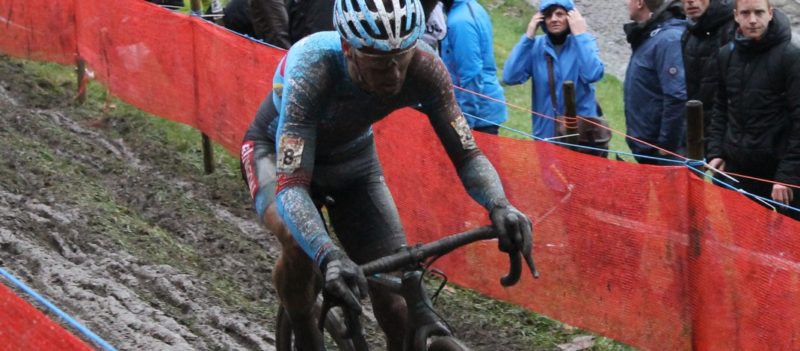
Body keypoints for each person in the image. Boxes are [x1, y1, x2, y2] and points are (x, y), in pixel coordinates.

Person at [239, 0, 534, 349]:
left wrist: (500, 205)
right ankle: (302, 325)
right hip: (275, 157)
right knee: (298, 243)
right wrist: (329, 255)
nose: (394, 75)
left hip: (353, 162)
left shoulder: (425, 67)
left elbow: (468, 155)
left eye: (401, 59)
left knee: (396, 295)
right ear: (348, 48)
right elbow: (291, 186)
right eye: (379, 65)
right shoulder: (312, 69)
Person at [706, 0, 800, 220]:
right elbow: (720, 107)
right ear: (736, 16)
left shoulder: (791, 57)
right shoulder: (726, 56)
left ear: (770, 13)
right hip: (738, 170)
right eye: (746, 13)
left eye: (758, 12)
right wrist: (716, 150)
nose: (753, 20)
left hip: (777, 177)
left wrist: (787, 177)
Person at [502, 0, 604, 140]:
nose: (554, 19)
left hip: (582, 135)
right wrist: (528, 37)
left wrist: (581, 36)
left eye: (560, 14)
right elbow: (510, 76)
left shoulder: (583, 44)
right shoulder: (536, 46)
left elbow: (593, 74)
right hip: (546, 134)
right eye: (549, 15)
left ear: (571, 17)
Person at [623, 0, 687, 165]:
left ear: (639, 3)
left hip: (664, 156)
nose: (625, 3)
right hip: (650, 152)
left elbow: (676, 96)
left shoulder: (668, 39)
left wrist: (666, 146)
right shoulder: (650, 36)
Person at [440, 0, 508, 134]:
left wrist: (465, 124)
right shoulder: (472, 7)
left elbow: (471, 74)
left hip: (478, 114)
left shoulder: (460, 22)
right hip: (485, 108)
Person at [681, 0, 735, 134]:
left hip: (727, 135)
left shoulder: (733, 30)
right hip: (697, 132)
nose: (690, 1)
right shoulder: (688, 34)